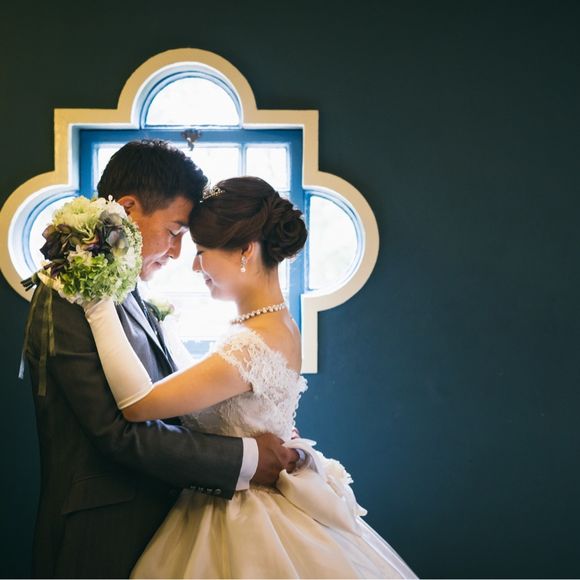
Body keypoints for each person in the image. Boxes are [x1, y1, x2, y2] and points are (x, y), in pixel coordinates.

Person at [83, 175, 417, 578]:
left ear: (246, 249)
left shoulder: (252, 344)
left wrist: (96, 304)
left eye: (202, 252)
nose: (194, 266)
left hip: (243, 519)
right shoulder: (270, 326)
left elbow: (138, 405)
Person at [24, 141, 297, 579]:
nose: (177, 254)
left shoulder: (127, 290)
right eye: (175, 231)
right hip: (101, 533)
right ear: (128, 209)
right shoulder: (69, 291)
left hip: (160, 521)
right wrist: (244, 457)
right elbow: (114, 431)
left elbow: (171, 404)